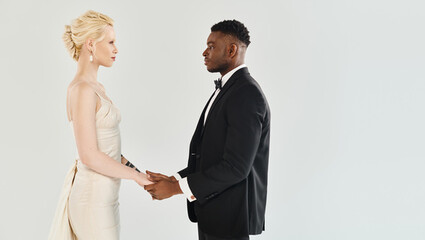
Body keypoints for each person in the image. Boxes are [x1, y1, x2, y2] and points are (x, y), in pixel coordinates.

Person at [144, 20, 271, 240]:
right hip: (215, 214)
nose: (204, 52)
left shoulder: (246, 94)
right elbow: (211, 156)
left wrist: (176, 189)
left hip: (231, 218)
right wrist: (174, 180)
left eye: (211, 46)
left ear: (231, 50)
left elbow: (235, 167)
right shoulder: (230, 89)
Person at [48, 10, 153, 240]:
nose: (116, 49)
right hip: (91, 201)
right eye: (111, 42)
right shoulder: (82, 89)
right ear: (90, 45)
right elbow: (89, 155)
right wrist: (135, 177)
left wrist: (140, 173)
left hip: (105, 199)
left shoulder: (95, 87)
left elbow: (108, 148)